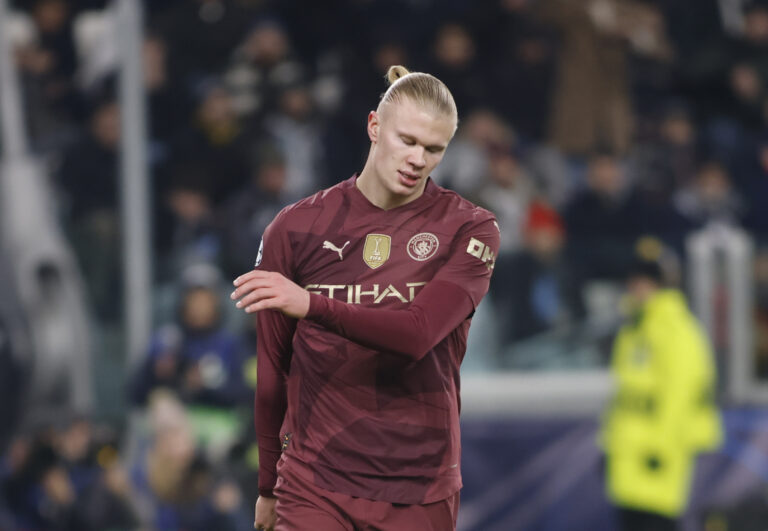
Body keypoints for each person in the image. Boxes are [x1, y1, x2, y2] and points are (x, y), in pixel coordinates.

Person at [230, 65, 499, 531]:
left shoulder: (470, 229)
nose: (417, 159)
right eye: (407, 140)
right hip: (314, 480)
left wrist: (311, 304)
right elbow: (272, 371)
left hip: (419, 485)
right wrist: (268, 485)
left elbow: (417, 334)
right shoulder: (295, 229)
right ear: (374, 126)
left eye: (433, 149)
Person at [600, 253, 722, 531]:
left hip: (657, 451)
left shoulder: (676, 329)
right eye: (633, 283)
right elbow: (622, 393)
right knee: (632, 518)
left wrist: (662, 446)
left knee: (657, 519)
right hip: (629, 448)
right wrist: (608, 443)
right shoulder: (634, 329)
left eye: (643, 283)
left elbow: (680, 394)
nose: (636, 290)